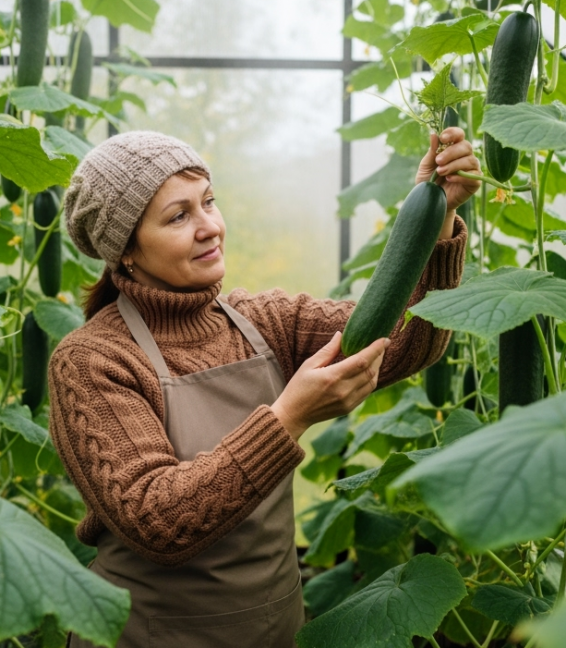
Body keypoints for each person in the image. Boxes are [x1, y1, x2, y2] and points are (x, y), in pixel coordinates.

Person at [48, 127, 481, 648]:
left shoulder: (266, 321)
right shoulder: (91, 360)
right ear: (126, 251)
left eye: (209, 201)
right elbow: (158, 521)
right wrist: (289, 417)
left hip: (275, 629)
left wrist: (435, 218)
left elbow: (406, 343)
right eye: (179, 216)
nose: (210, 227)